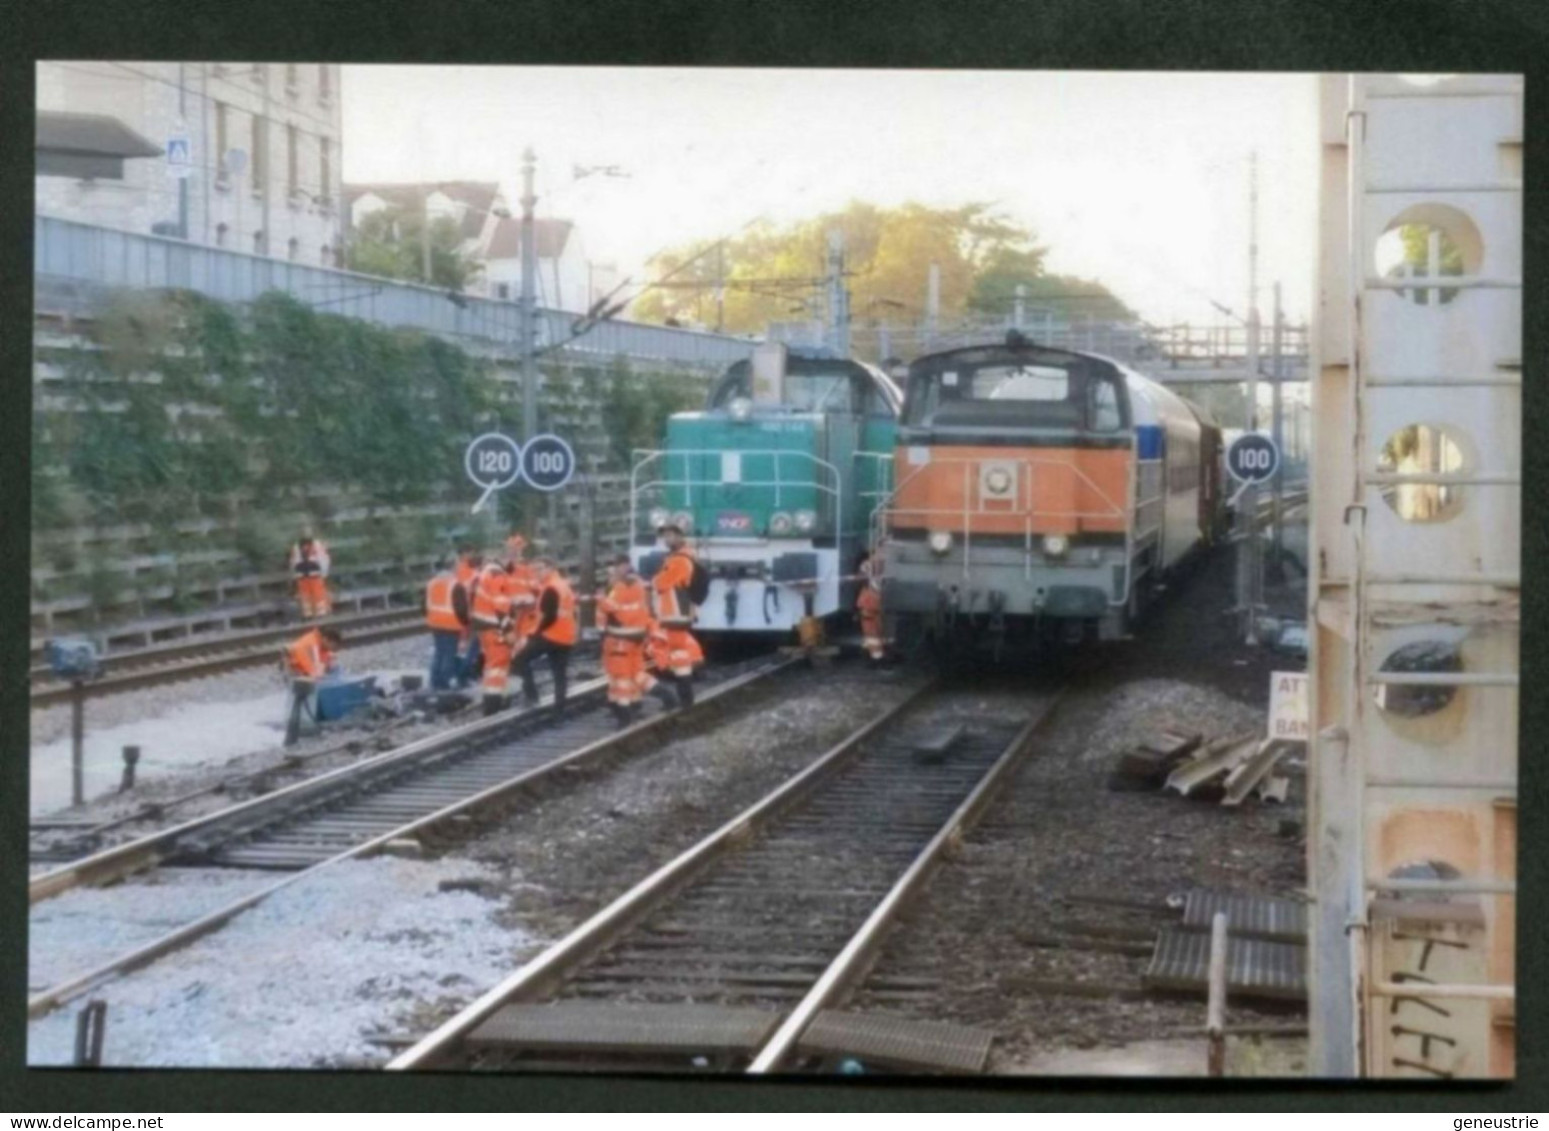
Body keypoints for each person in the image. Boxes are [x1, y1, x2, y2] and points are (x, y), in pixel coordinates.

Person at [596, 556, 674, 726]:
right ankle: (665, 696)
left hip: (620, 638)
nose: (612, 574)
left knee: (621, 677)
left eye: (614, 569)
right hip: (636, 636)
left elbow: (610, 609)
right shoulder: (638, 584)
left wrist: (600, 598)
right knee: (636, 673)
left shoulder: (619, 588)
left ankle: (623, 715)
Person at [648, 522, 704, 707]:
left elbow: (662, 582)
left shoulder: (680, 560)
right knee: (677, 656)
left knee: (678, 655)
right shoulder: (676, 558)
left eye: (671, 535)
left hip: (676, 614)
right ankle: (684, 699)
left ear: (680, 536)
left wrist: (654, 580)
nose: (667, 539)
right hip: (674, 614)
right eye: (665, 536)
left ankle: (684, 699)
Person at [514, 557, 578, 710]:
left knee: (519, 660)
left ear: (550, 568)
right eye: (535, 570)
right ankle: (559, 709)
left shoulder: (551, 587)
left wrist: (535, 634)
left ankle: (532, 696)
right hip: (566, 637)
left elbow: (549, 616)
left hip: (551, 635)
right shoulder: (563, 585)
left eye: (540, 569)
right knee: (559, 673)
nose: (537, 573)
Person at [468, 556, 515, 716]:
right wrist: (508, 630)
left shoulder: (483, 574)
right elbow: (500, 604)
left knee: (491, 665)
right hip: (494, 627)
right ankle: (493, 704)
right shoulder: (497, 575)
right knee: (498, 665)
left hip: (484, 628)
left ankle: (493, 700)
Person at [283, 626, 342, 745]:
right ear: (326, 640)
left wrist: (330, 663)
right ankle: (310, 717)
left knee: (335, 670)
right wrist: (325, 671)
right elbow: (314, 672)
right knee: (316, 684)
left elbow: (324, 660)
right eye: (333, 646)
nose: (333, 650)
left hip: (301, 669)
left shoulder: (319, 643)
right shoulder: (312, 645)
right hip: (296, 671)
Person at [424, 558, 465, 691]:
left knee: (439, 653)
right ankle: (444, 684)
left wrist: (432, 617)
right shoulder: (456, 585)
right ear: (452, 568)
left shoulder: (431, 583)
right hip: (451, 624)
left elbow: (423, 605)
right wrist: (465, 623)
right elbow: (461, 609)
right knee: (449, 655)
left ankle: (434, 682)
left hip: (435, 624)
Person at [455, 549, 484, 688]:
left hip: (467, 614)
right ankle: (465, 674)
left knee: (466, 646)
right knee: (474, 646)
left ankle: (465, 673)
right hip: (476, 615)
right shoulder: (477, 577)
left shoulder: (465, 573)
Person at [288, 535, 332, 619]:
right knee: (306, 601)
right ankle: (309, 616)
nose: (305, 548)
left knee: (319, 599)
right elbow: (293, 564)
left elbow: (324, 561)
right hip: (303, 579)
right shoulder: (296, 549)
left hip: (315, 578)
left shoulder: (317, 547)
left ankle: (320, 615)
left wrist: (323, 575)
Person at [856, 552, 885, 665]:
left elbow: (860, 577)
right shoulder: (888, 561)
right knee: (879, 629)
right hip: (881, 599)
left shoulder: (868, 563)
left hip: (870, 600)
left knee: (871, 631)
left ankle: (876, 657)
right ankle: (878, 655)